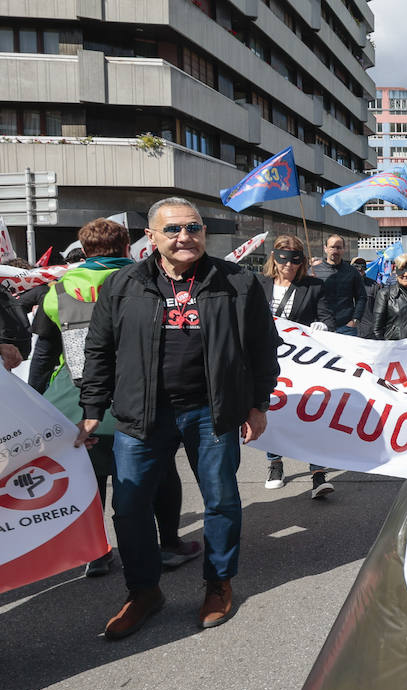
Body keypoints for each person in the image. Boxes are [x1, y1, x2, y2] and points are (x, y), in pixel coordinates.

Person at [78, 197, 280, 638]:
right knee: (129, 507)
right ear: (150, 237)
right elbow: (99, 351)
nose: (184, 236)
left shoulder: (238, 282)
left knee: (222, 501)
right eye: (172, 229)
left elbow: (264, 348)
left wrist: (258, 403)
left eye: (193, 227)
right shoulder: (122, 285)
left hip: (211, 412)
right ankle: (144, 591)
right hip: (140, 415)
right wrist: (92, 410)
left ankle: (218, 584)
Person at [28, 217, 199, 577]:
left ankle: (97, 552)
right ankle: (168, 545)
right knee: (160, 473)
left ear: (84, 251)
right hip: (139, 400)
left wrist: (35, 403)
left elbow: (43, 354)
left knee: (89, 479)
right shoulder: (147, 280)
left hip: (72, 402)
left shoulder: (57, 289)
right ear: (127, 247)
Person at [259, 235, 334, 497]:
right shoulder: (260, 284)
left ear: (301, 261)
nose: (288, 265)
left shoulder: (313, 286)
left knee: (310, 413)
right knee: (274, 412)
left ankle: (318, 472)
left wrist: (321, 326)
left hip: (301, 363)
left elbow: (327, 317)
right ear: (273, 257)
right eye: (283, 258)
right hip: (267, 361)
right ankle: (275, 463)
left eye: (294, 259)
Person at [314, 235, 366, 335]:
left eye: (339, 247)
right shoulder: (314, 271)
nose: (335, 250)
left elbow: (361, 297)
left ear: (343, 249)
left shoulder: (352, 272)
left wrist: (355, 320)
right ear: (325, 248)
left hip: (346, 327)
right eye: (332, 247)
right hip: (320, 328)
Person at [351, 255, 380, 338]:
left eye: (362, 266)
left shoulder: (374, 286)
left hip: (368, 333)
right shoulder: (343, 285)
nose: (360, 269)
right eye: (356, 266)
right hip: (348, 332)